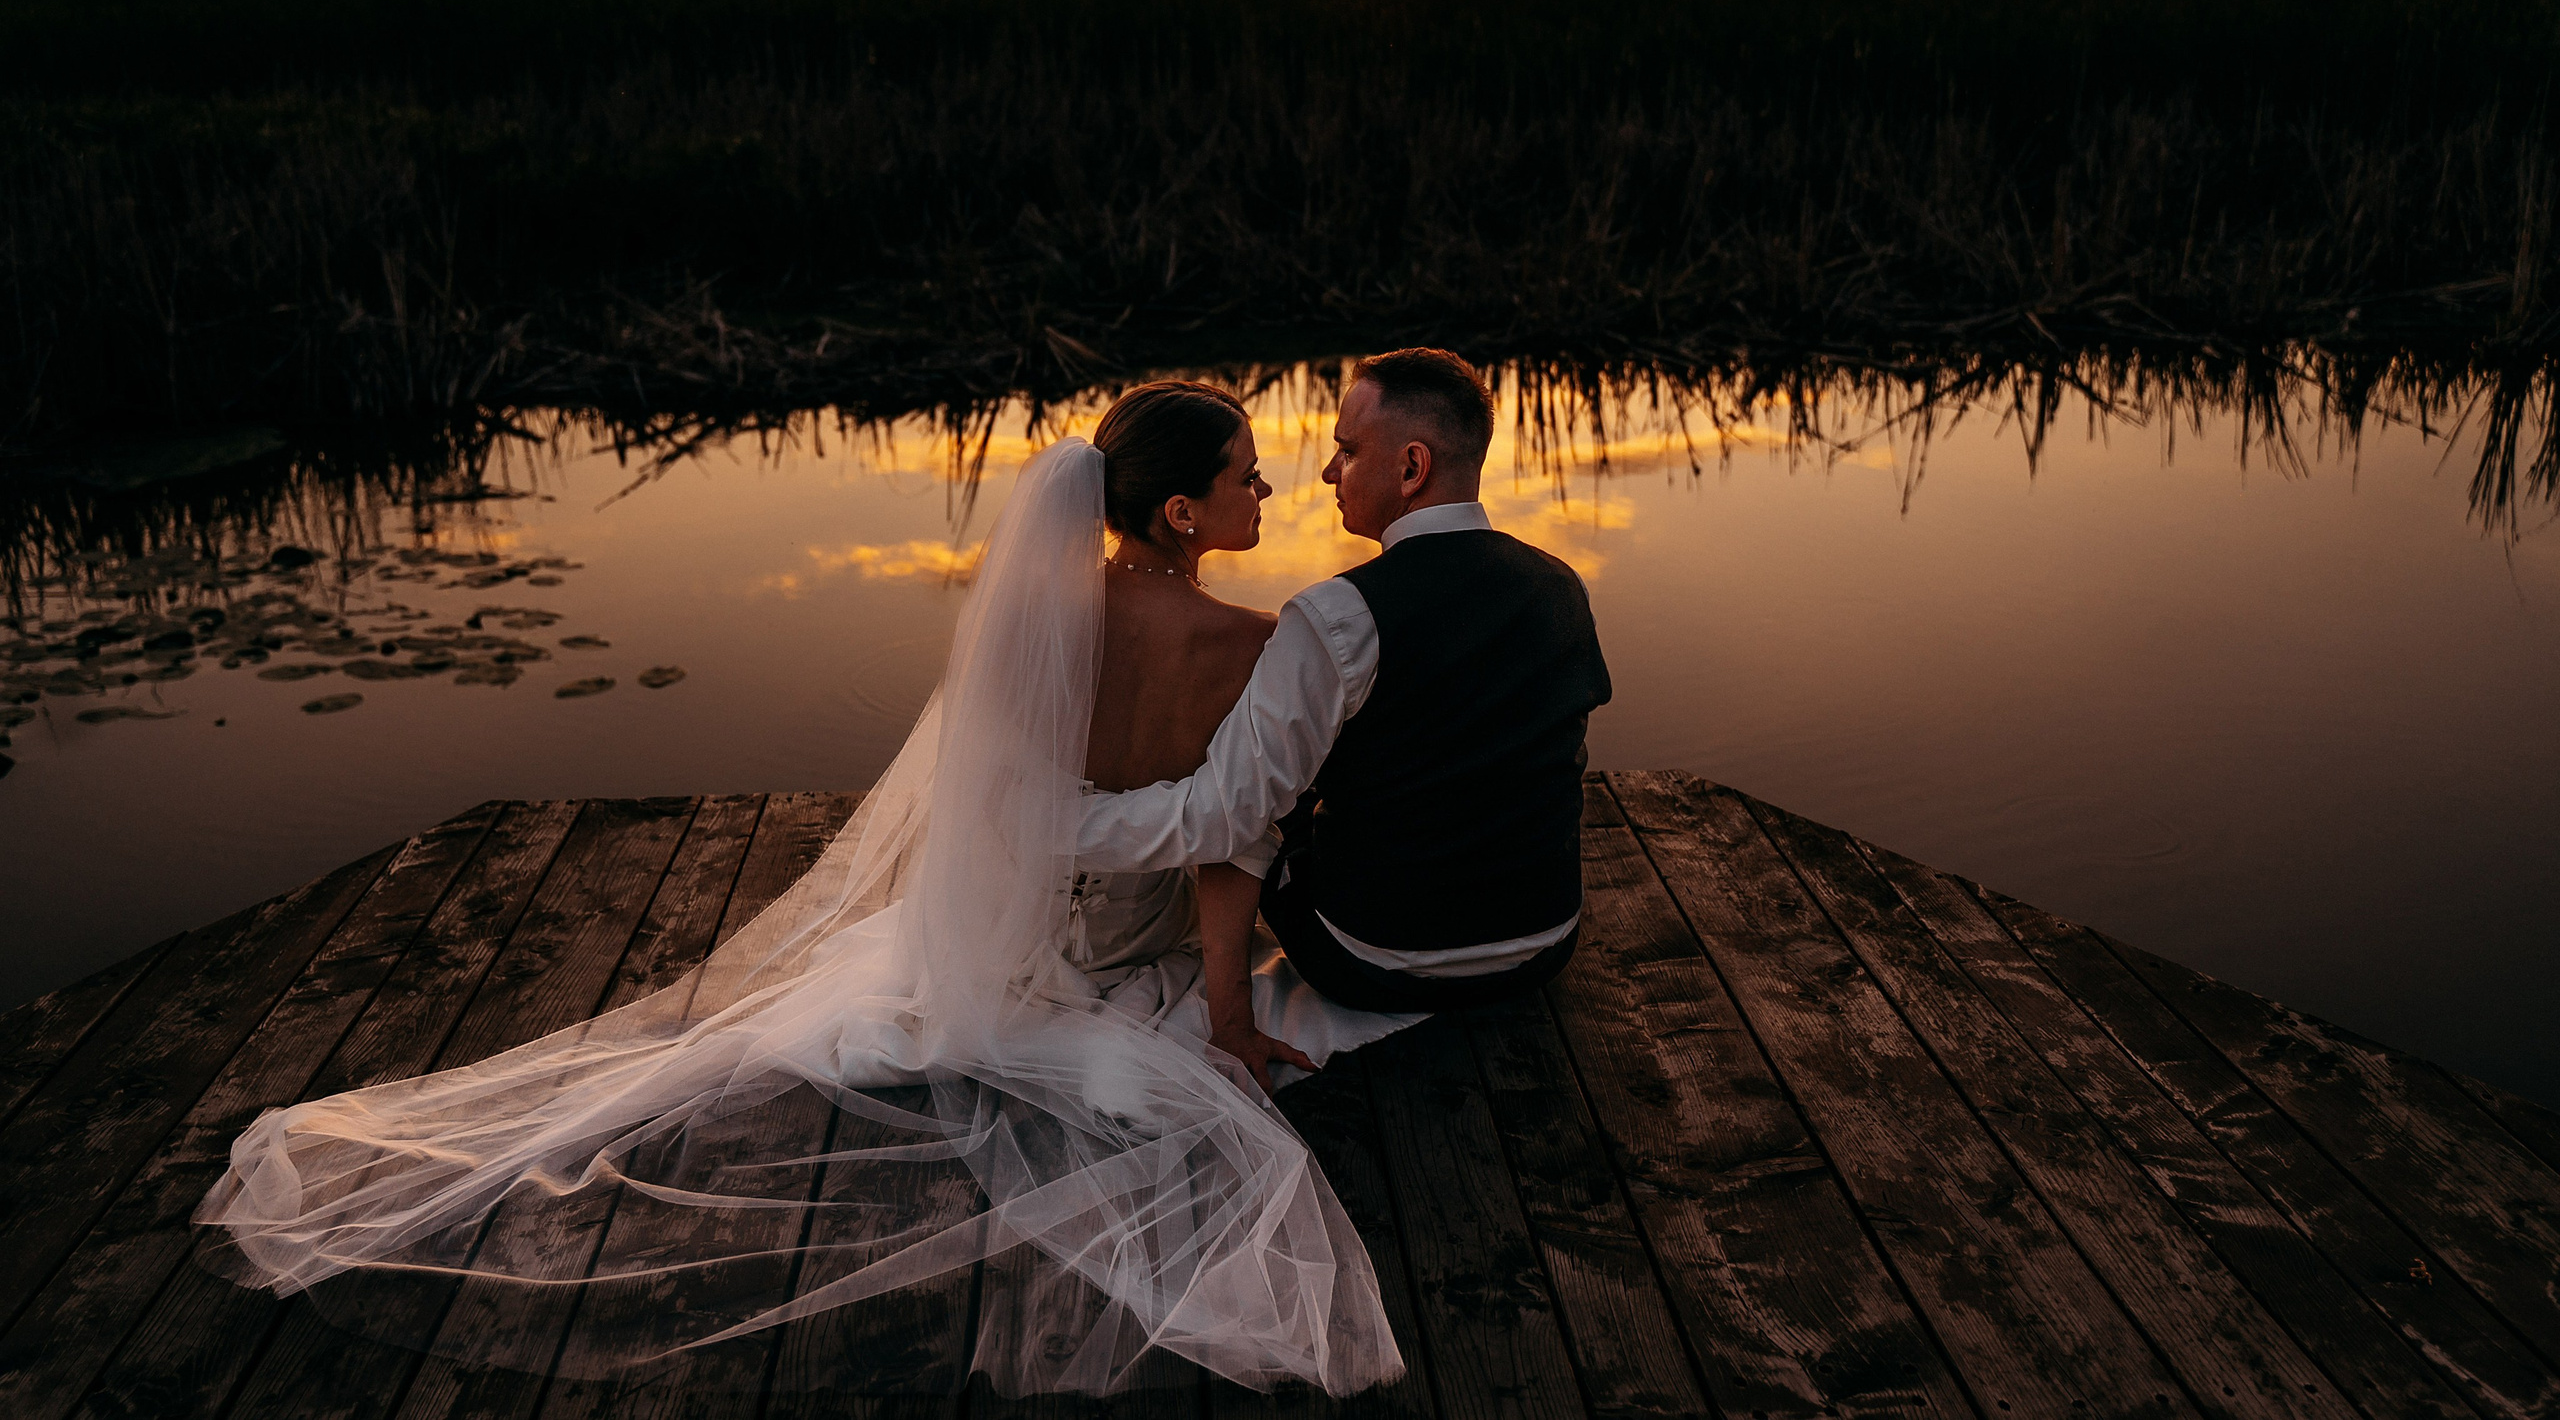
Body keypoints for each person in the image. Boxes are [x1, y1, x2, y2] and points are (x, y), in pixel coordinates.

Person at [193, 382, 1410, 1401]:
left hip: (1021, 940)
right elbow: (1222, 850)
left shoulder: (1035, 616)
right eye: (1249, 474)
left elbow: (994, 805)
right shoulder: (1250, 643)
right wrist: (1228, 1014)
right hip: (1137, 958)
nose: (1270, 488)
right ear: (1184, 508)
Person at [1077, 348, 1612, 1026]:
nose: (1329, 471)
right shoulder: (1562, 584)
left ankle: (1229, 1015)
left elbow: (1232, 819)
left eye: (1348, 452)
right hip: (1544, 943)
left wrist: (1050, 826)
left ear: (1411, 467)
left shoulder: (1333, 615)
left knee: (1268, 801)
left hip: (1373, 961)